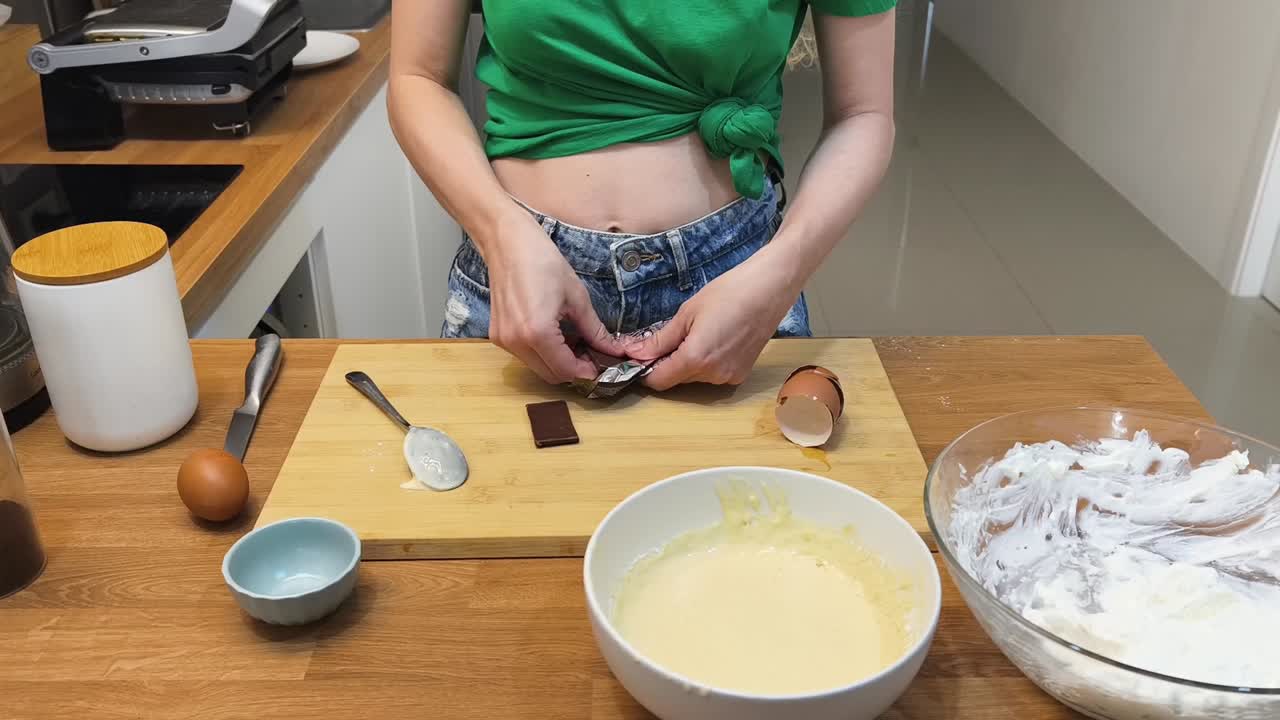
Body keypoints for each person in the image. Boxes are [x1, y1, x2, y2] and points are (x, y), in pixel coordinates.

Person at [389, 1, 895, 390]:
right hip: (522, 276)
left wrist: (781, 273)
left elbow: (864, 115)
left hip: (737, 282)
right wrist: (501, 236)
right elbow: (418, 78)